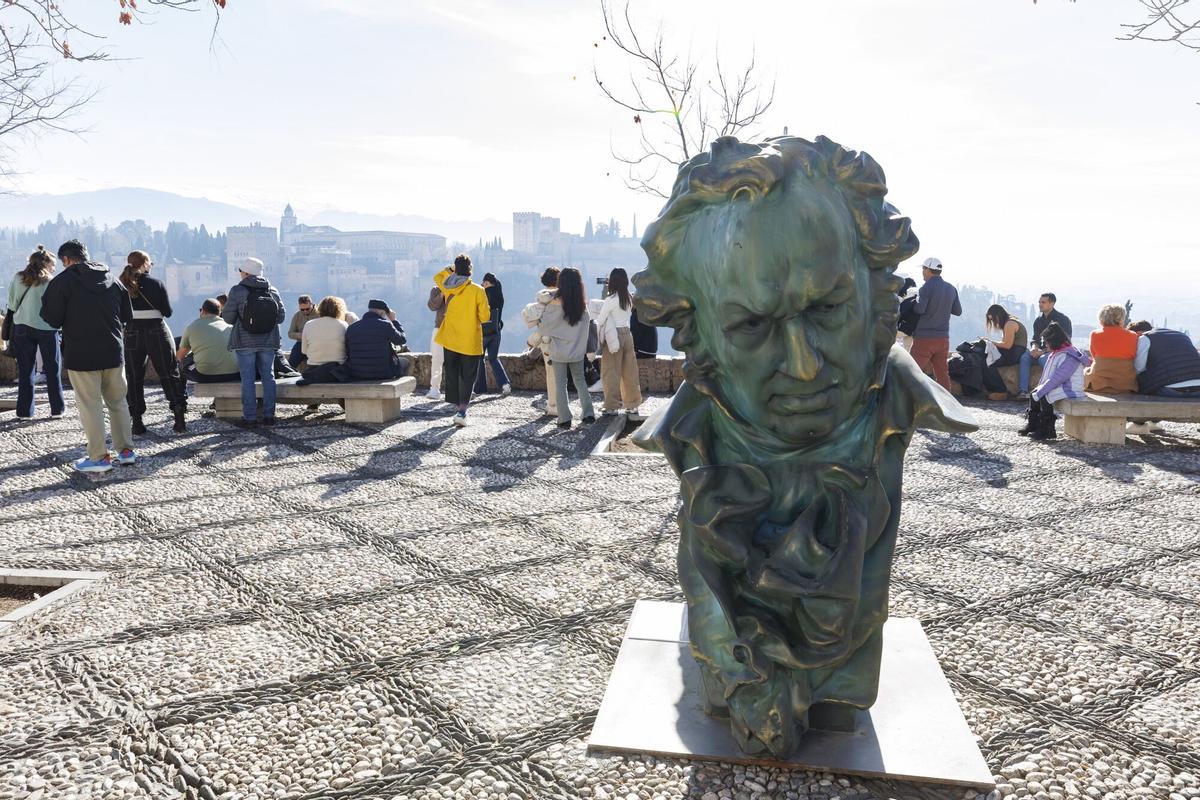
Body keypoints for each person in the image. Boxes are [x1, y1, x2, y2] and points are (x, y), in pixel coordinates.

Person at [39, 240, 135, 473]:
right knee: (118, 402)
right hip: (113, 351)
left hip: (81, 353)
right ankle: (126, 451)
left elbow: (51, 318)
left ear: (66, 259)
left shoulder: (63, 282)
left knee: (90, 405)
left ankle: (100, 457)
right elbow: (127, 315)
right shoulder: (112, 279)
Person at [119, 251, 188, 434]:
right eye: (150, 262)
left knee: (134, 376)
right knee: (168, 373)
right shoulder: (156, 283)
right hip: (156, 330)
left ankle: (137, 421)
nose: (151, 265)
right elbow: (167, 312)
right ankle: (179, 416)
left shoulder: (121, 284)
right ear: (144, 264)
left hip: (132, 331)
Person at [221, 257, 285, 427]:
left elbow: (227, 318)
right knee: (268, 377)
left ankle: (250, 418)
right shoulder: (272, 290)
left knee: (247, 380)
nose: (240, 273)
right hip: (269, 341)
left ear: (246, 272)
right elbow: (281, 317)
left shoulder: (237, 290)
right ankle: (269, 416)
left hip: (245, 341)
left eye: (241, 270)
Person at [7, 246, 65, 420]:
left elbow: (12, 304)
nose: (54, 268)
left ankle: (25, 412)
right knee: (53, 369)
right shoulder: (51, 281)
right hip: (47, 328)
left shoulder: (18, 277)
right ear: (45, 263)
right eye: (52, 264)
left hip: (22, 327)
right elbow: (57, 307)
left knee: (25, 371)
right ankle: (57, 410)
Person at [432, 254, 490, 426]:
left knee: (452, 373)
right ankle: (462, 411)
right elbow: (485, 317)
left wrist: (451, 269)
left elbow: (437, 277)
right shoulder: (478, 290)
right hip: (469, 340)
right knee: (468, 376)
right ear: (470, 270)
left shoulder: (448, 286)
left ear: (456, 269)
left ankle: (457, 406)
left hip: (450, 338)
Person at [536, 267, 595, 429]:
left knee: (560, 384)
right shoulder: (582, 307)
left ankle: (564, 418)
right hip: (577, 351)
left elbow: (544, 327)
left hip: (558, 351)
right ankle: (588, 414)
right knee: (580, 381)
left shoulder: (554, 305)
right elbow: (586, 329)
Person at [1021, 322, 1090, 441]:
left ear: (1054, 341)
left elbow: (1057, 378)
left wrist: (1042, 390)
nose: (1045, 344)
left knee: (1045, 396)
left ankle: (1048, 430)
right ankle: (1033, 424)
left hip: (1070, 388)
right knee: (1034, 394)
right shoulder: (1057, 353)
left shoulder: (1069, 356)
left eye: (1046, 342)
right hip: (1062, 385)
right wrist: (1038, 390)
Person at [909, 256, 962, 391]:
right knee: (942, 374)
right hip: (943, 338)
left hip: (924, 338)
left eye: (923, 269)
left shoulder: (926, 287)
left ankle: (906, 400)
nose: (922, 272)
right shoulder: (951, 288)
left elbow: (920, 309)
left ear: (928, 270)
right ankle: (948, 401)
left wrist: (914, 302)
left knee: (911, 371)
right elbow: (958, 311)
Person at [595, 267, 643, 416]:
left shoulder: (611, 300)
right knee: (630, 372)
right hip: (627, 334)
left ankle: (612, 406)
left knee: (611, 371)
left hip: (613, 336)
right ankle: (633, 405)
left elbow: (601, 320)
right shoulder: (629, 297)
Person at [1018, 292, 1073, 399]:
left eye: (1043, 302)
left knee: (1043, 359)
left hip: (1057, 351)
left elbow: (1066, 341)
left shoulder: (1063, 319)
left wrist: (1043, 352)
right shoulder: (1039, 321)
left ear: (1052, 303)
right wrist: (1034, 348)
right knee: (1025, 357)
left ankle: (1050, 392)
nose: (1040, 304)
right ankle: (1023, 391)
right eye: (1039, 302)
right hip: (1041, 350)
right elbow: (1036, 339)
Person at [522, 267, 560, 416]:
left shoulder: (542, 298)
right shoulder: (563, 296)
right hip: (564, 338)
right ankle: (560, 404)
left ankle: (553, 405)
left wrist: (533, 341)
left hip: (546, 341)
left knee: (551, 374)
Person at [342, 299, 411, 380]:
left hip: (357, 373)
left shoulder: (352, 328)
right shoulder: (386, 325)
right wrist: (394, 321)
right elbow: (402, 340)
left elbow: (348, 351)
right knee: (405, 362)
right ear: (382, 313)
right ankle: (399, 387)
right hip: (383, 373)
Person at [177, 299, 239, 383]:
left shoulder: (192, 326)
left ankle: (180, 391)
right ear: (219, 312)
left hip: (205, 376)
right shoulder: (229, 326)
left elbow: (180, 356)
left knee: (181, 366)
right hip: (233, 374)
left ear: (203, 311)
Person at [1133, 323, 1200, 398]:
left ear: (1138, 333)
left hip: (1170, 389)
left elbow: (1139, 368)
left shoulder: (1144, 338)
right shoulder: (1183, 336)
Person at [1083, 304, 1138, 394]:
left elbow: (1094, 356)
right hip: (1125, 384)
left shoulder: (1095, 334)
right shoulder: (1133, 335)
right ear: (1121, 318)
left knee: (1085, 371)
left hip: (1098, 384)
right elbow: (1134, 355)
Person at [474, 272, 512, 396]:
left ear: (487, 283)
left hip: (484, 332)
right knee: (493, 358)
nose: (483, 285)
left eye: (484, 283)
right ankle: (505, 384)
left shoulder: (484, 294)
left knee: (479, 358)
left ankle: (480, 388)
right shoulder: (500, 296)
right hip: (496, 331)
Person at [299, 295, 349, 385]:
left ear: (320, 309)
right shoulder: (344, 325)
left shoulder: (309, 324)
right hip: (336, 371)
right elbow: (347, 350)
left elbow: (304, 351)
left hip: (314, 369)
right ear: (339, 310)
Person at [982, 304, 1028, 400]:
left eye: (992, 319)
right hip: (1014, 351)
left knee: (987, 362)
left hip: (1014, 353)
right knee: (984, 357)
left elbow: (1007, 345)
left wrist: (990, 342)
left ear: (997, 316)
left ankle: (1000, 391)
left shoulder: (1009, 324)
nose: (993, 322)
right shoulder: (1009, 322)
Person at [426, 283, 447, 400]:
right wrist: (442, 294)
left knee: (456, 360)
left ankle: (455, 390)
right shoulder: (436, 289)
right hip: (439, 328)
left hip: (455, 329)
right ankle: (434, 389)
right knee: (436, 359)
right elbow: (432, 306)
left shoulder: (459, 288)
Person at [286, 295, 318, 368]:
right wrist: (302, 335)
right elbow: (290, 334)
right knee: (291, 363)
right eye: (302, 310)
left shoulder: (320, 314)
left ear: (312, 304)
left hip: (317, 343)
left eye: (307, 309)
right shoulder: (297, 315)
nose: (305, 311)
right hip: (301, 343)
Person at [894, 276, 919, 352]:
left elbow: (901, 314)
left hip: (903, 327)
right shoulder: (917, 298)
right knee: (907, 349)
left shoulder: (906, 300)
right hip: (913, 329)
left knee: (889, 337)